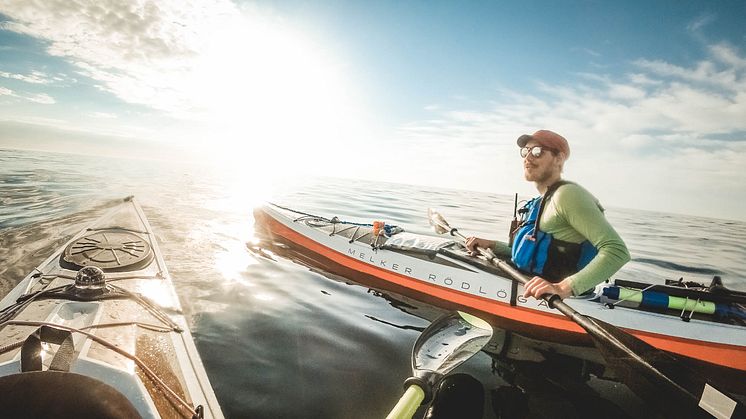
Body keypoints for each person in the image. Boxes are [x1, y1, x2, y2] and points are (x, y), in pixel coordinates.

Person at [465, 130, 630, 299]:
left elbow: (617, 251)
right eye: (525, 151)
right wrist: (493, 245)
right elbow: (536, 254)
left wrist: (562, 288)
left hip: (557, 298)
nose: (527, 158)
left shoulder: (568, 195)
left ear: (558, 159)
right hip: (527, 279)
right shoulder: (541, 200)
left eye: (537, 151)